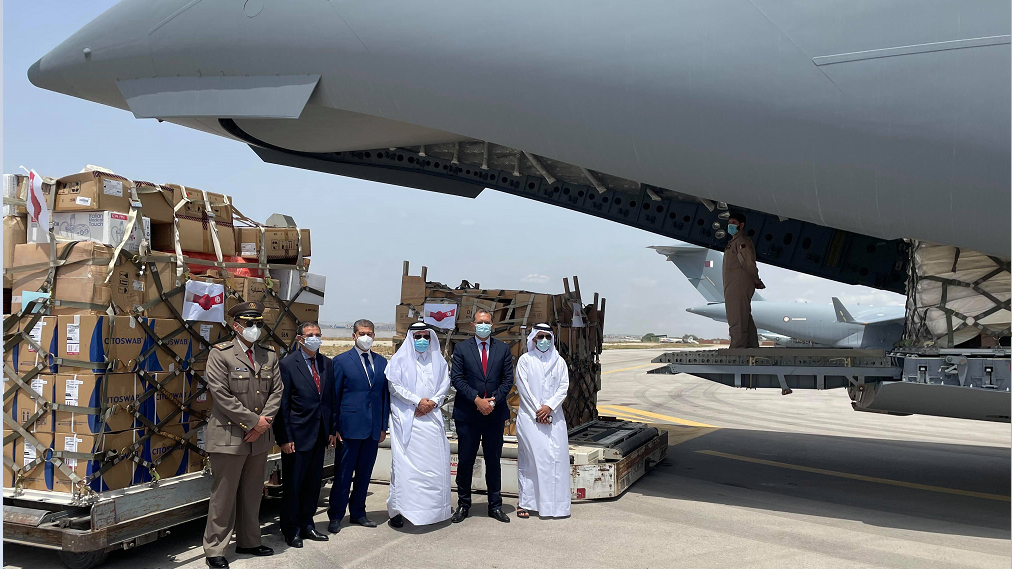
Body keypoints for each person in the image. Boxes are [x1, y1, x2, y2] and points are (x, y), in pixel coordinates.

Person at [202, 301, 282, 569]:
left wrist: (262, 424)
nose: (255, 328)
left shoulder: (269, 355)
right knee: (223, 497)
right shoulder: (220, 354)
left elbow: (276, 392)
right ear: (236, 326)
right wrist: (252, 422)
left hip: (258, 439)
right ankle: (215, 549)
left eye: (259, 323)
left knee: (251, 494)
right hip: (229, 437)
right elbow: (221, 395)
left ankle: (249, 541)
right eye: (250, 324)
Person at [449, 308, 514, 524]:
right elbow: (457, 379)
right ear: (472, 325)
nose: (483, 326)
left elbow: (507, 380)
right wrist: (477, 400)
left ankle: (495, 505)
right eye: (479, 322)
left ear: (493, 325)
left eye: (487, 322)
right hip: (468, 413)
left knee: (493, 460)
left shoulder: (503, 349)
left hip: (494, 414)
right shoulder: (461, 349)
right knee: (466, 460)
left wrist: (493, 401)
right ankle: (463, 504)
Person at [385, 322, 452, 527]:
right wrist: (418, 401)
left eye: (425, 336)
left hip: (431, 419)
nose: (422, 340)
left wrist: (432, 403)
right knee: (406, 468)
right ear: (410, 338)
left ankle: (433, 512)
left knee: (434, 467)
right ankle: (399, 511)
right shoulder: (399, 360)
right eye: (418, 336)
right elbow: (394, 386)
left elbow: (445, 384)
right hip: (408, 418)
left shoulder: (438, 360)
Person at [274, 321, 332, 548]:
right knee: (293, 486)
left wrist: (331, 430)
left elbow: (329, 400)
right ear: (299, 338)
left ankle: (307, 524)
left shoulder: (326, 363)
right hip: (296, 437)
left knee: (312, 485)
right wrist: (285, 437)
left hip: (319, 435)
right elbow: (282, 405)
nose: (315, 338)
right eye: (310, 335)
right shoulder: (287, 364)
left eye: (318, 334)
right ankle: (291, 529)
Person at [328, 319, 389, 533]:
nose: (366, 337)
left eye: (370, 333)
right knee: (344, 474)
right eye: (362, 333)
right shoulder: (341, 361)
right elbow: (334, 397)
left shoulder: (381, 362)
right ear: (353, 335)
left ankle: (358, 513)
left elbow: (384, 397)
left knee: (364, 474)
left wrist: (383, 426)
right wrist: (333, 428)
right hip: (348, 428)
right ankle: (335, 515)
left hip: (372, 429)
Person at [515, 324, 571, 519]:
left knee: (557, 460)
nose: (544, 340)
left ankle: (557, 506)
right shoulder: (525, 360)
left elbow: (563, 387)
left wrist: (549, 408)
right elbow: (523, 387)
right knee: (532, 461)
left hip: (554, 418)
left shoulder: (559, 362)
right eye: (540, 337)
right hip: (531, 419)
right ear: (533, 339)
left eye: (547, 336)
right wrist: (539, 411)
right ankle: (527, 503)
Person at [724, 212, 765, 349]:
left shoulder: (742, 242)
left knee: (736, 317)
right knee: (744, 317)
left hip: (739, 284)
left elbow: (748, 263)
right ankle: (751, 347)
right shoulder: (734, 241)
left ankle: (738, 349)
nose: (730, 225)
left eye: (733, 223)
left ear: (741, 225)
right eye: (729, 222)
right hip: (733, 284)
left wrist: (756, 279)